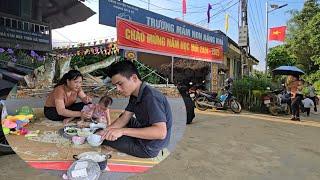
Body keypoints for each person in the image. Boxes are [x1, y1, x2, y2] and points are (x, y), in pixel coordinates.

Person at [97, 60, 172, 158]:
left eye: (120, 84)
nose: (118, 89)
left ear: (134, 78)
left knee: (106, 140)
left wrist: (122, 131)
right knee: (111, 129)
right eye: (116, 85)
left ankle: (128, 140)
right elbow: (125, 117)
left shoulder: (151, 97)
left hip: (149, 147)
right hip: (144, 129)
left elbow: (161, 133)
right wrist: (106, 130)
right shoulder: (135, 94)